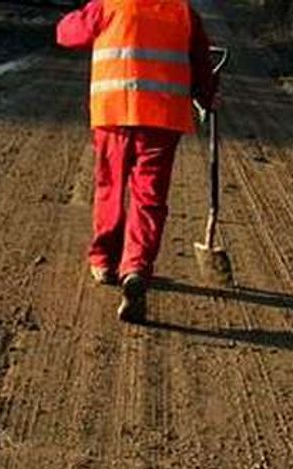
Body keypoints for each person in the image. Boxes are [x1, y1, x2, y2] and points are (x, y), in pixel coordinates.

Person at [56, 0, 218, 323]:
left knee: (110, 187)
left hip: (113, 114)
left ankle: (104, 261)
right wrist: (208, 96)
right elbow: (202, 64)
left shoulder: (108, 5)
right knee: (149, 198)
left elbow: (66, 33)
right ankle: (136, 269)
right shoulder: (183, 11)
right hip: (162, 119)